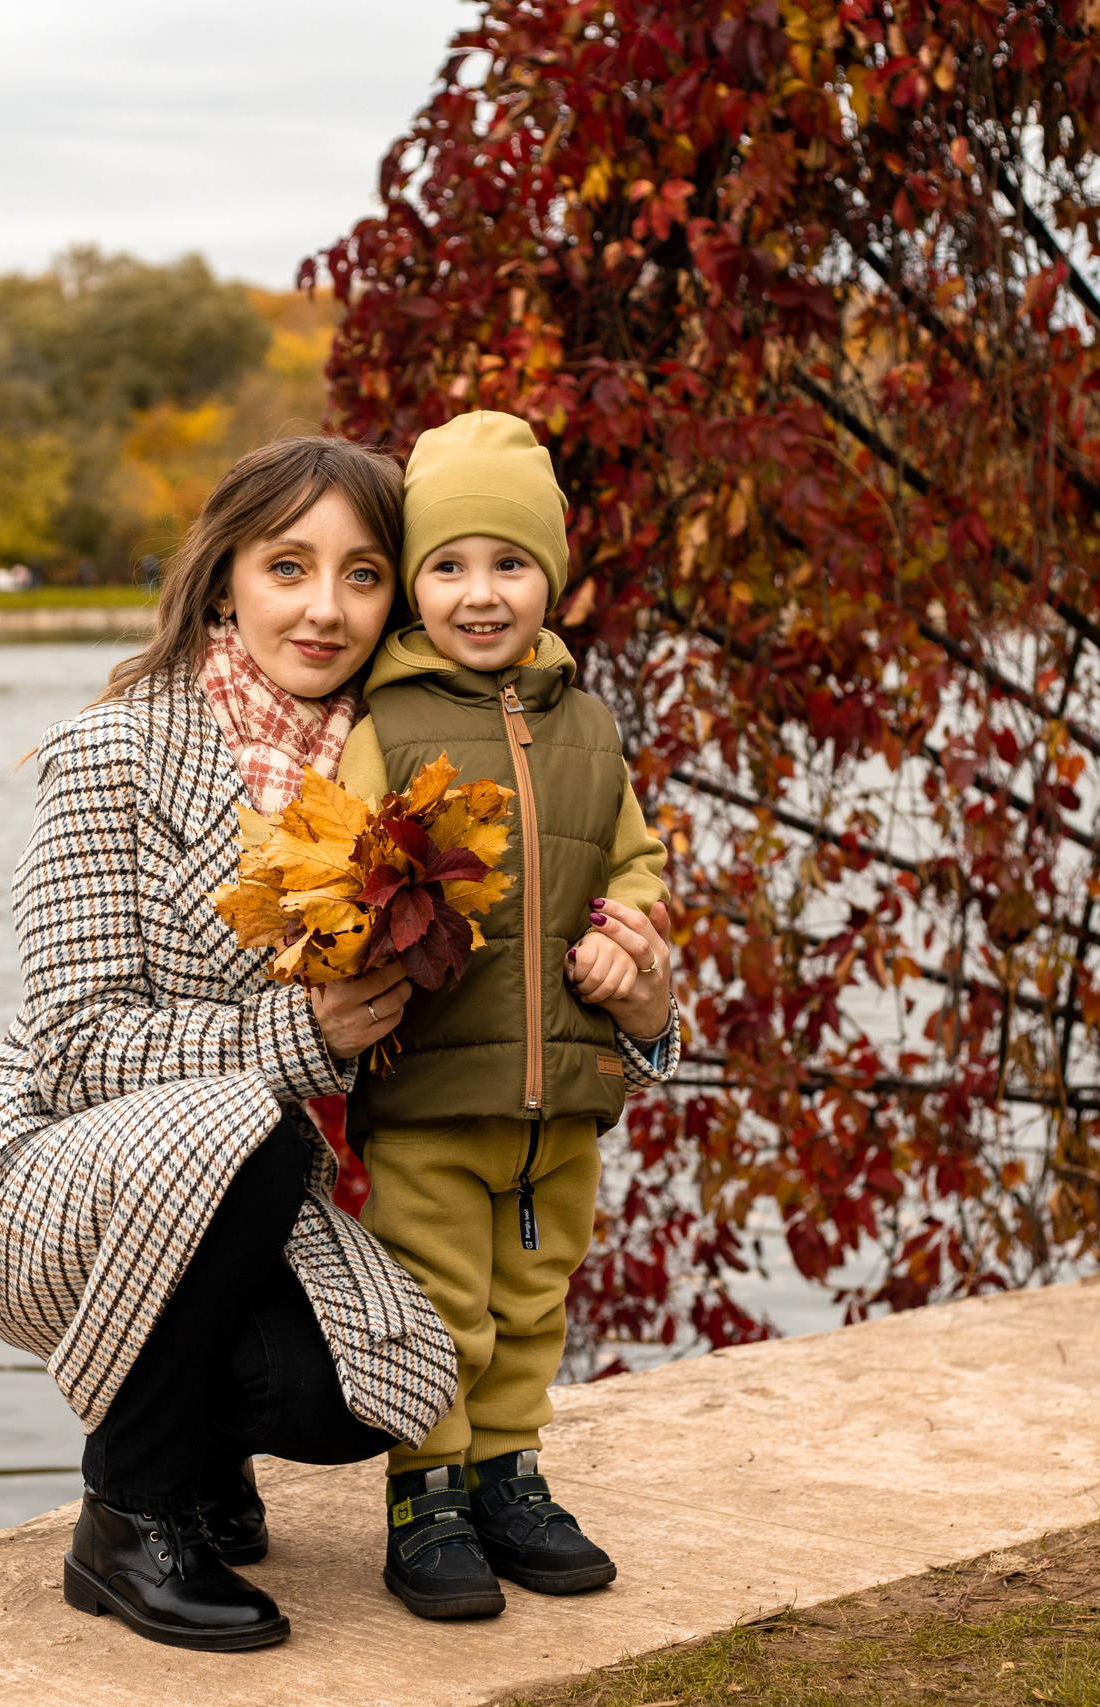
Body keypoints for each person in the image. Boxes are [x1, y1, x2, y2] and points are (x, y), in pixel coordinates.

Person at [0, 437, 457, 1654]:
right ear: (226, 581)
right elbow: (72, 1043)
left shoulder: (404, 779)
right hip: (51, 1174)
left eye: (363, 575)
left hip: (252, 1195)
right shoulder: (114, 753)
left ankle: (209, 1459)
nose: (324, 608)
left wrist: (641, 1011)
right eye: (288, 567)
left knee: (369, 1387)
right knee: (250, 1114)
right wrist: (298, 1037)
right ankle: (128, 1513)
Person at [334, 410, 681, 1621]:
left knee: (535, 1298)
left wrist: (623, 931)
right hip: (431, 1091)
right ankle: (424, 1491)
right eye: (447, 566)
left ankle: (505, 1473)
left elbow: (634, 860)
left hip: (563, 1096)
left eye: (509, 563)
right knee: (439, 1300)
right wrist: (363, 932)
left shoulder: (587, 725)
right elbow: (342, 868)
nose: (480, 594)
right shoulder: (386, 726)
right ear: (413, 585)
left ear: (551, 577)